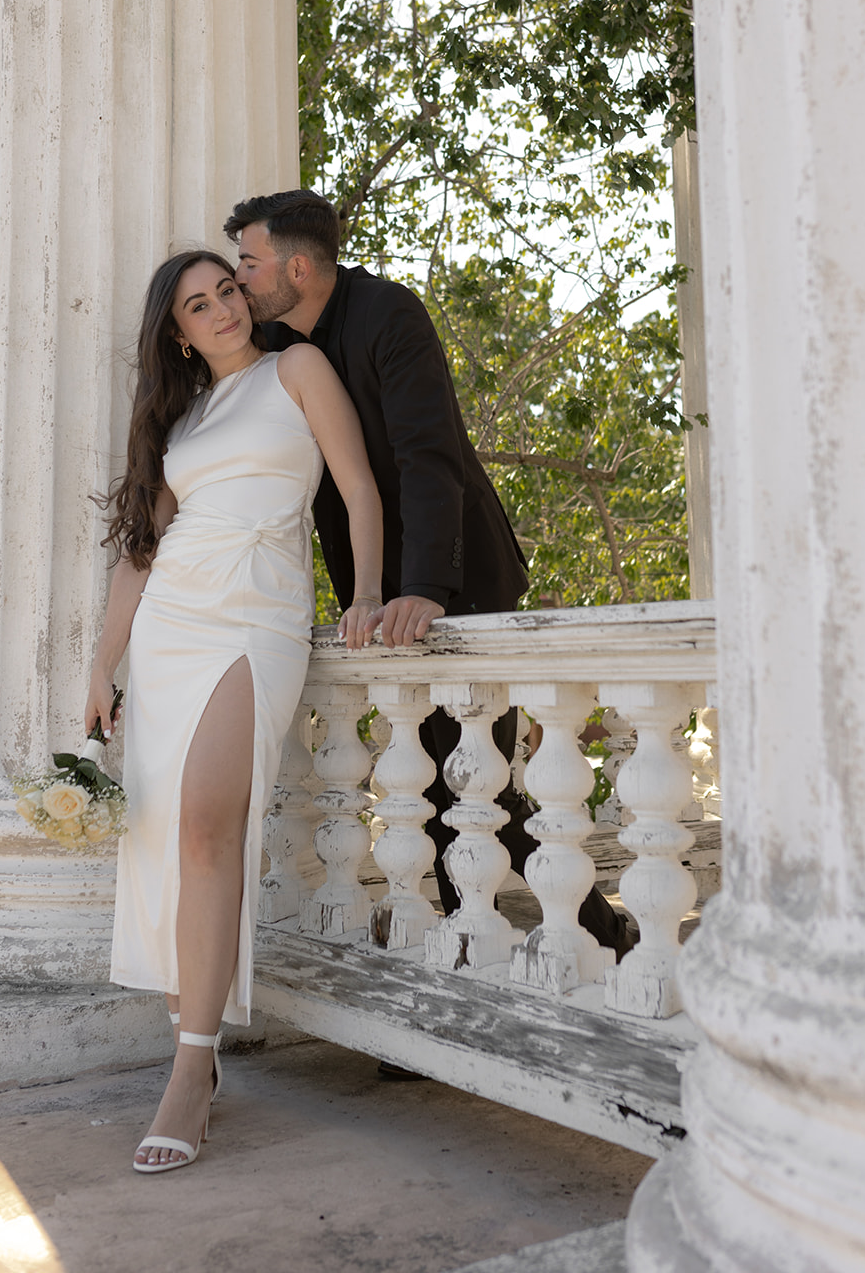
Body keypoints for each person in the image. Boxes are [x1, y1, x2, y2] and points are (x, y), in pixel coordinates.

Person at [223, 190, 631, 967]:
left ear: (298, 267)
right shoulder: (277, 337)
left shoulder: (389, 315)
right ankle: (478, 944)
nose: (239, 281)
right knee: (428, 789)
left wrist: (425, 589)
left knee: (469, 786)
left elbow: (427, 456)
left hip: (458, 579)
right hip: (377, 595)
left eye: (248, 263)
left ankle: (542, 944)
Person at [85, 249, 382, 1173]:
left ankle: (190, 1069)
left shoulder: (296, 368)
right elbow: (143, 550)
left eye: (226, 292)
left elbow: (358, 483)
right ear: (175, 330)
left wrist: (367, 591)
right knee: (172, 837)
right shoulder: (181, 416)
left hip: (258, 613)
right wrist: (102, 664)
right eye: (198, 305)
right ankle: (194, 1044)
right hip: (172, 622)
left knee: (212, 827)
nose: (220, 310)